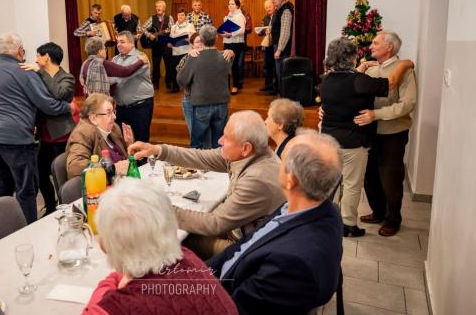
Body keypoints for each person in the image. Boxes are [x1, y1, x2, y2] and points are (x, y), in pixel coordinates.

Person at [207, 130, 344, 315]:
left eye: (281, 160)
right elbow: (246, 244)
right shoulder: (317, 208)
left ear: (291, 180)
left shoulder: (292, 266)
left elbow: (235, 309)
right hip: (218, 276)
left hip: (220, 295)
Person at [129, 110, 285, 260]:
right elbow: (200, 157)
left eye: (227, 138)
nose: (220, 140)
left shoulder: (256, 179)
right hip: (243, 233)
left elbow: (214, 224)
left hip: (247, 249)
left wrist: (159, 207)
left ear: (245, 148)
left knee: (180, 240)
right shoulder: (253, 153)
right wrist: (157, 150)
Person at [82, 179, 238, 315]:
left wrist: (107, 285)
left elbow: (94, 309)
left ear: (105, 246)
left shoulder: (117, 307)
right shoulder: (186, 257)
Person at [321, 37, 414, 237]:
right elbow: (389, 83)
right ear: (351, 57)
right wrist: (405, 63)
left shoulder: (327, 78)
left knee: (333, 183)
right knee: (352, 185)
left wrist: (361, 68)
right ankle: (347, 224)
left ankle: (327, 219)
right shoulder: (358, 80)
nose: (370, 46)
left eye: (375, 43)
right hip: (353, 142)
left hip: (329, 140)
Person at [0, 32, 73, 223]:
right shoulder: (25, 71)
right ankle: (28, 231)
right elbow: (48, 105)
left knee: (1, 183)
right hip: (15, 137)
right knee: (26, 188)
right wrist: (67, 107)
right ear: (21, 51)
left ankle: (1, 227)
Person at [355, 31, 417, 237]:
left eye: (375, 43)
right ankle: (378, 212)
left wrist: (376, 114)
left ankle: (393, 219)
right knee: (369, 175)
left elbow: (407, 104)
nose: (370, 46)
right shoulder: (371, 70)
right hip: (369, 131)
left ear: (389, 47)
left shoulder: (404, 70)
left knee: (390, 178)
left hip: (393, 133)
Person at [19, 42, 77, 215]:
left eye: (38, 55)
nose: (36, 60)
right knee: (40, 174)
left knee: (62, 175)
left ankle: (66, 207)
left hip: (62, 136)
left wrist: (40, 72)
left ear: (47, 57)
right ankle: (51, 207)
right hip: (44, 137)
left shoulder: (67, 78)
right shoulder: (39, 76)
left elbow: (59, 93)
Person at [177, 25, 231, 149]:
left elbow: (182, 81)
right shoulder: (225, 56)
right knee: (219, 145)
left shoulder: (194, 57)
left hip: (202, 104)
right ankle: (217, 168)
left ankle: (198, 168)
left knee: (197, 145)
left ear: (201, 39)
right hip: (222, 104)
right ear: (216, 38)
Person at [66, 93, 132, 178]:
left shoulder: (113, 128)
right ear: (93, 118)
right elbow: (75, 167)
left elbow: (124, 161)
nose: (114, 117)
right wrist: (112, 169)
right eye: (108, 113)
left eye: (113, 112)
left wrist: (129, 144)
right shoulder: (83, 133)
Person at [111, 31, 154, 143]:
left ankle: (143, 161)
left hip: (140, 106)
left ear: (132, 43)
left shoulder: (141, 58)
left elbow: (124, 77)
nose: (119, 45)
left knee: (141, 140)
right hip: (121, 108)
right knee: (122, 140)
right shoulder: (115, 59)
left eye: (122, 42)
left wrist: (109, 78)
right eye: (117, 42)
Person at [79, 37, 149, 96]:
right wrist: (141, 61)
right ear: (100, 51)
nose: (105, 51)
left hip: (91, 99)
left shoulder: (86, 62)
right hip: (101, 101)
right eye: (104, 48)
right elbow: (125, 71)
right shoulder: (102, 64)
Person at [142, 0, 174, 90]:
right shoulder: (152, 18)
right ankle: (155, 83)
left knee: (169, 65)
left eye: (160, 6)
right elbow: (143, 28)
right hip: (156, 45)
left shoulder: (169, 18)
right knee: (155, 65)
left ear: (164, 8)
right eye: (156, 7)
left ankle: (169, 83)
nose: (158, 8)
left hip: (166, 45)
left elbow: (173, 30)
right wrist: (149, 35)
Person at [219, 0, 246, 95]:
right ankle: (225, 86)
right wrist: (222, 33)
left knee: (234, 65)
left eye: (232, 4)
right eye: (229, 4)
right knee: (225, 64)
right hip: (227, 42)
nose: (230, 6)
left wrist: (231, 34)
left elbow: (242, 30)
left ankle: (235, 86)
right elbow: (226, 30)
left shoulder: (240, 16)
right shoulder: (228, 16)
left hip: (236, 43)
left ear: (238, 5)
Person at [270, 0, 294, 95]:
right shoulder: (279, 9)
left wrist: (279, 50)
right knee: (279, 73)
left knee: (283, 74)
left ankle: (285, 98)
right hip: (278, 46)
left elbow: (285, 32)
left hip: (283, 48)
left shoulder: (286, 10)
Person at [167, 7, 195, 93]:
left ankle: (189, 86)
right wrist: (170, 43)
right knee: (174, 69)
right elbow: (171, 38)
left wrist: (188, 39)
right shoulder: (173, 27)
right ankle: (175, 87)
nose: (180, 16)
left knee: (187, 70)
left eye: (182, 15)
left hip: (186, 51)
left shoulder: (190, 25)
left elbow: (193, 38)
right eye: (179, 15)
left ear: (186, 16)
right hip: (176, 51)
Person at [258, 0, 277, 94]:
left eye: (269, 7)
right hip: (268, 46)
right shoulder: (265, 18)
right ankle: (268, 85)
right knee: (267, 65)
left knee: (275, 66)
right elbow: (262, 31)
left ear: (274, 6)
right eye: (266, 8)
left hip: (276, 45)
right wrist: (261, 31)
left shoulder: (277, 16)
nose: (268, 9)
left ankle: (275, 87)